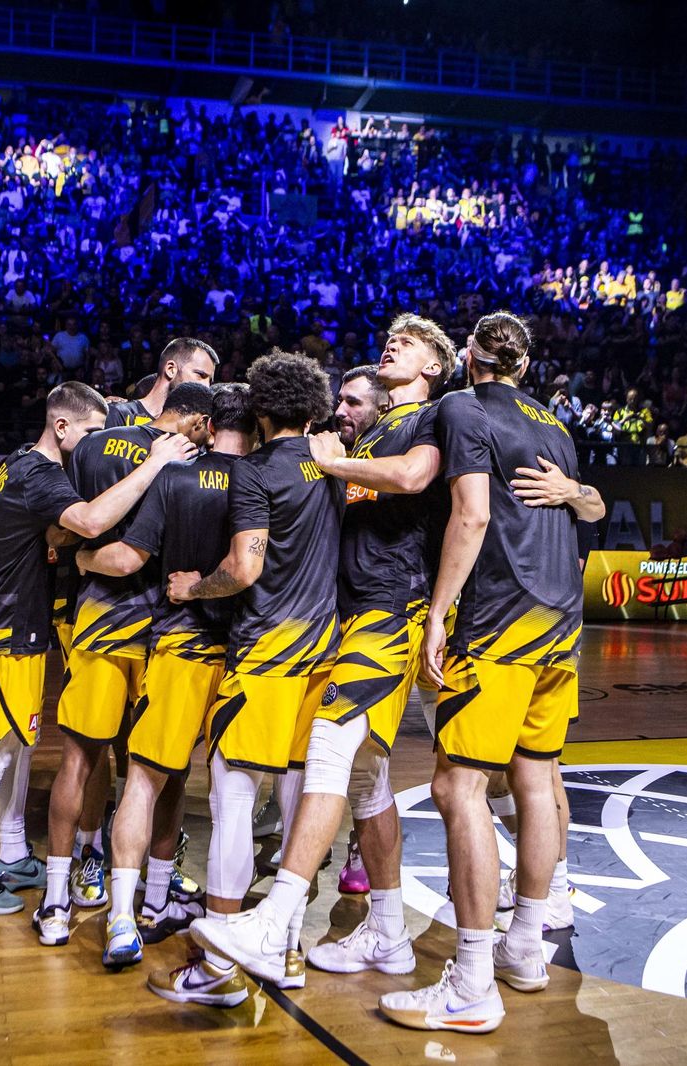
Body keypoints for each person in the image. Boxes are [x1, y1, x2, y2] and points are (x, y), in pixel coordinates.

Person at [190, 315, 458, 987]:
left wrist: (334, 460)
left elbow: (417, 475)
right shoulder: (364, 436)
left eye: (412, 341)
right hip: (348, 619)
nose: (393, 341)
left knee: (331, 751)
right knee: (366, 782)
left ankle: (275, 917)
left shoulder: (432, 419)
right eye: (391, 335)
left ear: (432, 368)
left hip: (389, 613)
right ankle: (389, 934)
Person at [384, 312, 602, 1032]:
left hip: (501, 618)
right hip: (561, 623)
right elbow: (593, 508)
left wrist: (440, 611)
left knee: (458, 785)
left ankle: (473, 979)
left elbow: (471, 517)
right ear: (527, 365)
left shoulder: (460, 407)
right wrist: (573, 494)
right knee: (536, 779)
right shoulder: (556, 426)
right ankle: (525, 947)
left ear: (470, 355)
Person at [0, 381, 192, 916]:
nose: (98, 444)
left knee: (18, 747)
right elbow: (92, 522)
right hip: (4, 630)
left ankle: (11, 853)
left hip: (20, 628)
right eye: (92, 433)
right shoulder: (40, 476)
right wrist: (156, 462)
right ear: (61, 427)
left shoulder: (19, 463)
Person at [148, 352, 340, 1008]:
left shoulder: (256, 472)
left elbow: (245, 567)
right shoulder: (333, 468)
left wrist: (193, 586)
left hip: (264, 658)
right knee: (295, 804)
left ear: (260, 408)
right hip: (323, 657)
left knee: (232, 803)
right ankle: (281, 946)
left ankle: (219, 966)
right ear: (313, 409)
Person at [76, 383, 255, 968]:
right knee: (230, 795)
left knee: (146, 780)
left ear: (208, 423)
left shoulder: (174, 477)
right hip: (250, 655)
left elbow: (128, 558)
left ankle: (127, 917)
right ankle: (197, 913)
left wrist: (79, 558)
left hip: (178, 646)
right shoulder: (266, 481)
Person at [33, 381, 215, 948]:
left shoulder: (93, 447)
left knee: (78, 762)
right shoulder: (195, 465)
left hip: (98, 621)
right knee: (164, 771)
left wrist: (79, 553)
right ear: (195, 420)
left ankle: (59, 898)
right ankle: (153, 895)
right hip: (165, 631)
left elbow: (62, 526)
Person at [105, 337, 219, 427]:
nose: (207, 386)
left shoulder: (197, 430)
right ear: (171, 369)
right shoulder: (118, 414)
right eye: (200, 375)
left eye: (210, 381)